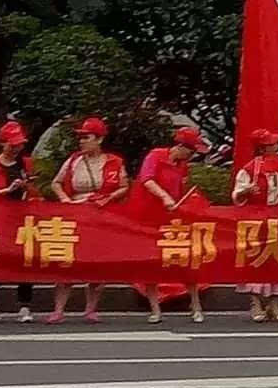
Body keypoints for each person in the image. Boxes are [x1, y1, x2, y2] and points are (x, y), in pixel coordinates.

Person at [47, 116, 128, 323]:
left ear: (99, 140)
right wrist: (65, 199)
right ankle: (59, 309)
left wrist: (108, 198)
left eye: (87, 137)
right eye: (80, 137)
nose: (82, 141)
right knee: (68, 262)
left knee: (98, 264)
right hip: (76, 215)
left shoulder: (115, 162)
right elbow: (55, 183)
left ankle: (91, 309)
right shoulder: (73, 160)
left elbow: (124, 187)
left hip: (101, 217)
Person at [137, 126, 211, 324]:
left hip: (173, 219)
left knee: (186, 261)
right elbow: (147, 180)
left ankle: (195, 305)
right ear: (181, 146)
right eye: (191, 151)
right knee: (151, 263)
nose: (192, 155)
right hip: (149, 218)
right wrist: (165, 197)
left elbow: (181, 189)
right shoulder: (155, 156)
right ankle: (155, 309)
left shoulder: (182, 165)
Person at [0, 121, 37, 324]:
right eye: (12, 145)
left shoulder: (26, 163)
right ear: (2, 143)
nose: (16, 149)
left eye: (19, 145)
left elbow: (34, 189)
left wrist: (27, 186)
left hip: (22, 218)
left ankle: (25, 305)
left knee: (25, 260)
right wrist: (7, 191)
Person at [232, 128, 278, 323]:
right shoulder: (249, 169)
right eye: (272, 143)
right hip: (256, 220)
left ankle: (274, 305)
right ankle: (256, 303)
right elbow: (236, 196)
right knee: (256, 261)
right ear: (263, 148)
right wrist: (247, 190)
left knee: (277, 261)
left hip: (277, 218)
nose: (276, 146)